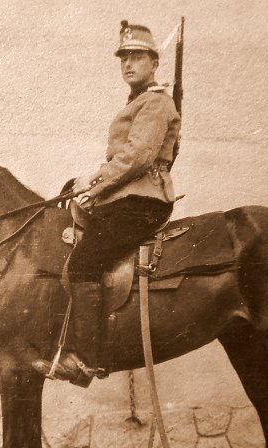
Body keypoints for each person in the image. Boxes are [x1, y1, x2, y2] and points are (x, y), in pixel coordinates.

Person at [32, 21, 181, 386]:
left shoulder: (157, 103)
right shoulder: (140, 101)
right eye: (123, 58)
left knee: (83, 265)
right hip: (126, 198)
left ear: (154, 62)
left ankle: (87, 361)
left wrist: (93, 183)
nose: (128, 64)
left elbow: (138, 157)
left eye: (137, 57)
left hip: (143, 202)